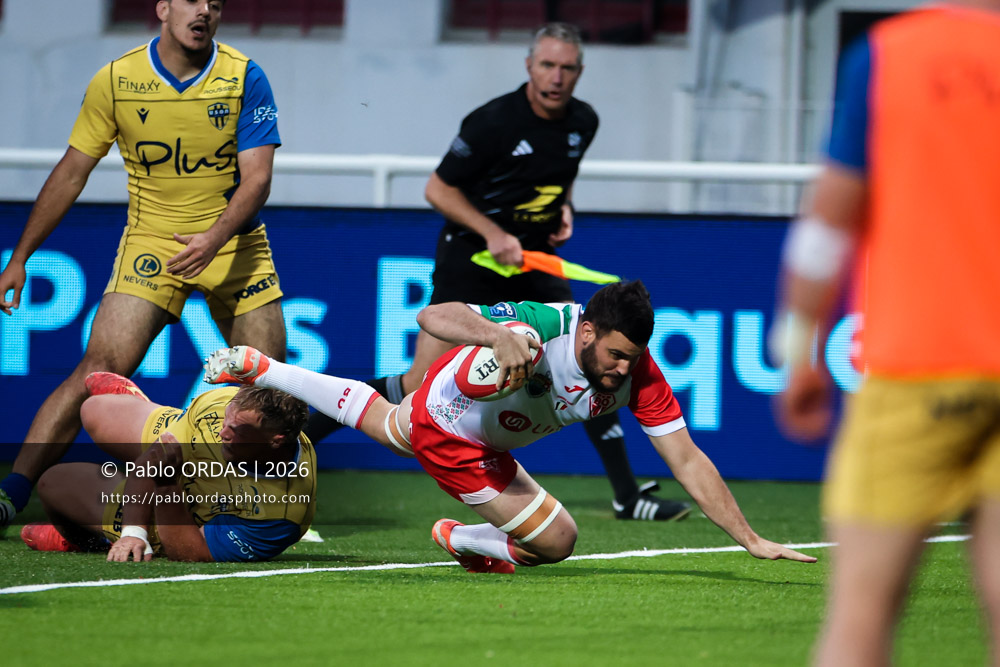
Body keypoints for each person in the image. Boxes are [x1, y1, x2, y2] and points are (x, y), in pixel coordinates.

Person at [305, 22, 688, 523]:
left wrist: (563, 207)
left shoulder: (583, 122)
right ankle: (307, 430)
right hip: (473, 254)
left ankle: (626, 494)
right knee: (419, 384)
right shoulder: (493, 123)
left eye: (567, 67)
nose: (556, 76)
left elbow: (558, 174)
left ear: (580, 72)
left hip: (533, 259)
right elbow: (438, 191)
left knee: (588, 354)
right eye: (547, 65)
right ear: (529, 66)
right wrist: (491, 233)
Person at [208, 281, 817, 573]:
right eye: (615, 355)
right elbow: (433, 314)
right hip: (456, 430)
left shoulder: (640, 376)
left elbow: (686, 460)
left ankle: (264, 367)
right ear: (586, 332)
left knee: (394, 425)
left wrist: (750, 538)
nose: (624, 367)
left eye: (633, 357)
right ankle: (464, 531)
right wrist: (500, 335)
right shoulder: (547, 321)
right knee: (556, 542)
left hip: (479, 436)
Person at [0, 0, 286, 530]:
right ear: (163, 9)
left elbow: (258, 179)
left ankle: (259, 503)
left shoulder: (245, 76)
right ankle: (11, 493)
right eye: (193, 1)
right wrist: (20, 257)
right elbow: (70, 173)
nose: (204, 11)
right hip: (152, 243)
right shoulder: (116, 80)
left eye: (215, 5)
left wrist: (214, 236)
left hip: (235, 246)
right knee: (97, 371)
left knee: (267, 391)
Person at [771, 4, 1000, 664]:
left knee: (860, 619)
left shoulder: (889, 54)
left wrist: (799, 355)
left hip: (917, 370)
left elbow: (824, 230)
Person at [21, 372, 316, 563]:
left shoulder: (280, 516)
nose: (222, 433)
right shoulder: (215, 409)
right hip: (176, 456)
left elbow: (190, 551)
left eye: (236, 430)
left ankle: (87, 540)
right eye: (225, 421)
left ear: (276, 440)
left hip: (178, 515)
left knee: (52, 483)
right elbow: (153, 458)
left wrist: (162, 490)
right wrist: (131, 531)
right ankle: (136, 403)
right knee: (93, 409)